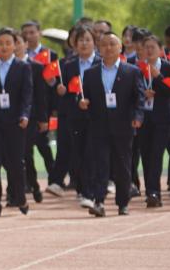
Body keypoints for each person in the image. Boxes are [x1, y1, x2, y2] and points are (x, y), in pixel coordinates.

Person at [79, 33, 146, 217]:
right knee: (100, 165)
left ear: (120, 48)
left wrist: (138, 116)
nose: (108, 48)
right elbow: (84, 96)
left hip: (124, 126)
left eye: (112, 44)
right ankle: (99, 201)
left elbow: (139, 98)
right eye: (104, 45)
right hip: (99, 125)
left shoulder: (131, 71)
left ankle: (123, 203)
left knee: (123, 166)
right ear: (99, 48)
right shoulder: (91, 73)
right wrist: (82, 102)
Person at [0, 27, 32, 217]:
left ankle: (20, 197)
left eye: (8, 43)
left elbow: (27, 95)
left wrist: (25, 115)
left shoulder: (23, 67)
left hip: (15, 122)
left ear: (15, 45)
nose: (4, 47)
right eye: (0, 43)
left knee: (15, 163)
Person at [52, 25, 98, 207]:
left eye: (88, 40)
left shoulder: (101, 63)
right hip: (75, 116)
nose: (84, 43)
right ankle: (81, 188)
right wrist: (61, 91)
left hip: (96, 115)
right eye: (80, 40)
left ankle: (90, 192)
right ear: (75, 44)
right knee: (78, 154)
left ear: (94, 42)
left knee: (91, 153)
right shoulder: (69, 65)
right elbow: (63, 93)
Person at [135, 32, 170, 207]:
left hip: (163, 118)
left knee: (156, 154)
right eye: (146, 47)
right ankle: (150, 192)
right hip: (144, 118)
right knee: (146, 155)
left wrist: (158, 77)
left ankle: (154, 192)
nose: (149, 50)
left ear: (161, 49)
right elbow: (132, 92)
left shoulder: (169, 67)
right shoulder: (136, 68)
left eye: (152, 47)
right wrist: (143, 93)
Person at [20, 21, 57, 202]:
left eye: (32, 32)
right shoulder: (19, 59)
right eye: (25, 33)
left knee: (44, 146)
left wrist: (47, 114)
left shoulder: (50, 55)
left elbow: (52, 85)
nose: (29, 35)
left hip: (41, 110)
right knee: (25, 151)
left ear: (39, 33)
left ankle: (54, 178)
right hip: (22, 113)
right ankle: (29, 184)